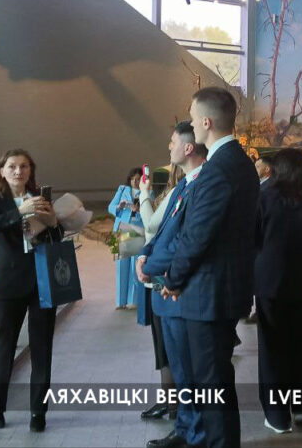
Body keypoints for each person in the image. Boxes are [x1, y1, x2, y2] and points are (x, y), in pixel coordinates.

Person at [160, 86, 260, 448]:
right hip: (222, 289)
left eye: (191, 117)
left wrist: (173, 278)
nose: (189, 124)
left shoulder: (219, 169)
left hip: (209, 293)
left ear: (206, 122)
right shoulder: (240, 163)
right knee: (213, 380)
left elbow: (197, 234)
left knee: (212, 383)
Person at [136, 122, 209, 448]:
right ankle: (184, 428)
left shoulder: (203, 184)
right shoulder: (183, 185)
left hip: (182, 291)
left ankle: (195, 433)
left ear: (188, 148)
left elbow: (186, 240)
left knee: (190, 370)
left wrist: (151, 265)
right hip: (167, 292)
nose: (169, 147)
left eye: (172, 142)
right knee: (179, 368)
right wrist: (145, 253)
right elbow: (163, 229)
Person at [0, 149, 61, 433]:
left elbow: (56, 236)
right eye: (12, 166)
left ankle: (38, 412)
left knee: (42, 349)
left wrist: (54, 222)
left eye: (24, 166)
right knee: (4, 347)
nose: (18, 171)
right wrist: (18, 212)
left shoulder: (40, 197)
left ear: (30, 170)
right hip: (9, 283)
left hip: (42, 281)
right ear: (2, 171)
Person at [254, 148, 302, 434]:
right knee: (300, 344)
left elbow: (253, 239)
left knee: (272, 347)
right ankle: (300, 408)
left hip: (269, 284)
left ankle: (277, 417)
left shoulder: (263, 199)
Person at [135, 163, 183, 423]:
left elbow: (151, 225)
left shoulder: (181, 191)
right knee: (162, 345)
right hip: (157, 271)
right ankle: (169, 401)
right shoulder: (174, 192)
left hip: (166, 276)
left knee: (168, 346)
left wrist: (143, 193)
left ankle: (174, 405)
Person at [110, 167, 144, 309]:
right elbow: (111, 207)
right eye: (133, 179)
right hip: (121, 230)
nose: (135, 182)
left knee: (135, 267)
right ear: (129, 179)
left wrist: (138, 211)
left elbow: (151, 213)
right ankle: (120, 302)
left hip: (138, 230)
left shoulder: (148, 193)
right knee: (121, 267)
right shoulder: (122, 190)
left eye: (138, 179)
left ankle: (135, 300)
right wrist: (119, 207)